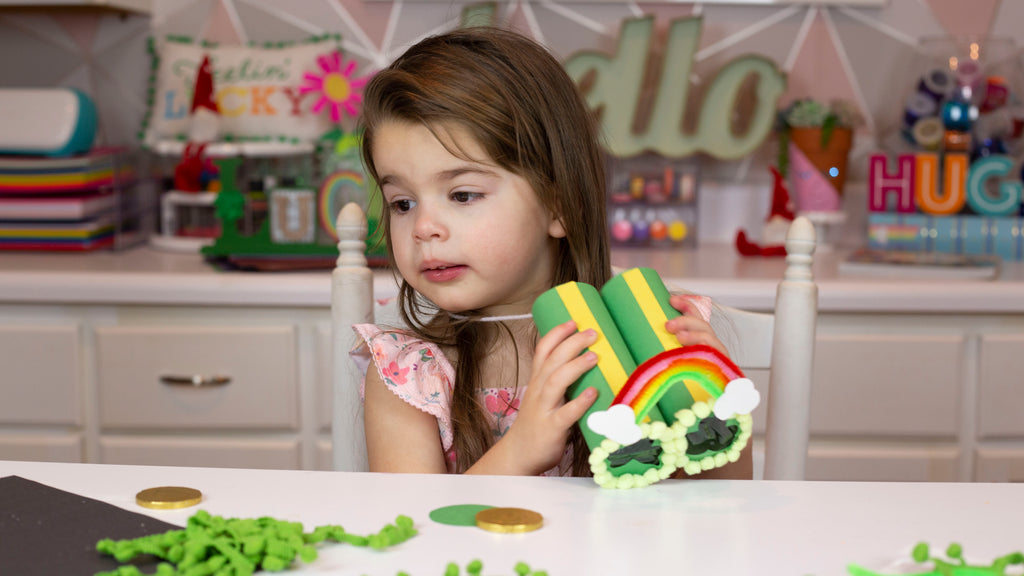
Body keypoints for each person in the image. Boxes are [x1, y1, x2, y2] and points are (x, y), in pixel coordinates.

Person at [354, 26, 750, 478]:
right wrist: (518, 453)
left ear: (559, 204)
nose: (423, 228)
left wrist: (722, 411)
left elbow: (722, 508)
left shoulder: (654, 336)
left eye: (462, 195)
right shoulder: (408, 377)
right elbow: (417, 532)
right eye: (402, 203)